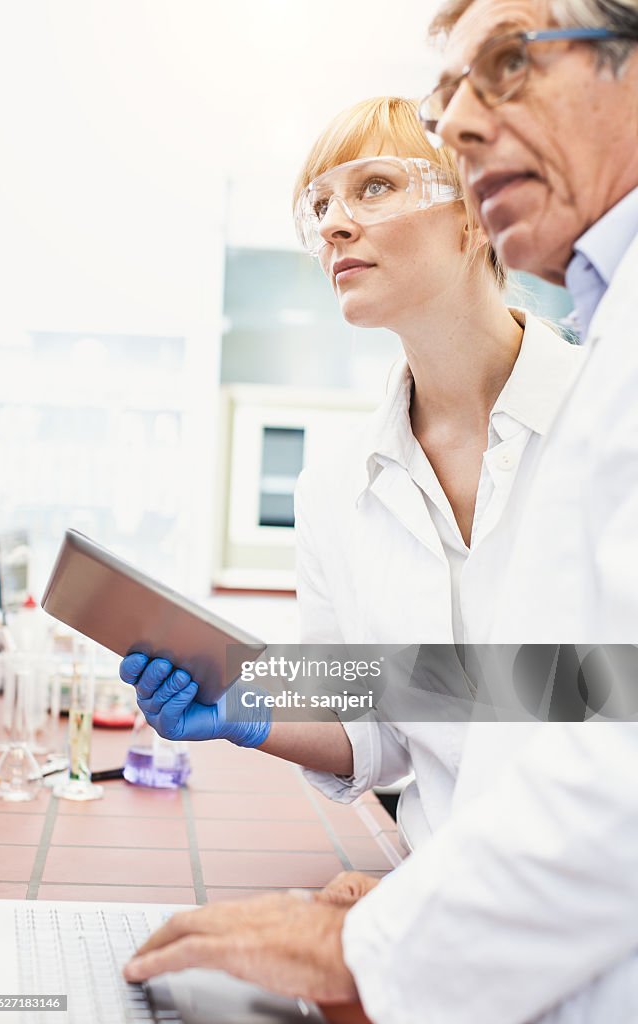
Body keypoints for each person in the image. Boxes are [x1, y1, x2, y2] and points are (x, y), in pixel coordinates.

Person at [120, 96, 583, 854]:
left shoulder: (609, 421)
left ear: (476, 213)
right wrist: (254, 707)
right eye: (321, 203)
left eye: (374, 186)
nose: (334, 223)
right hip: (439, 897)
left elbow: (606, 689)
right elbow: (379, 731)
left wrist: (375, 685)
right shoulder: (335, 486)